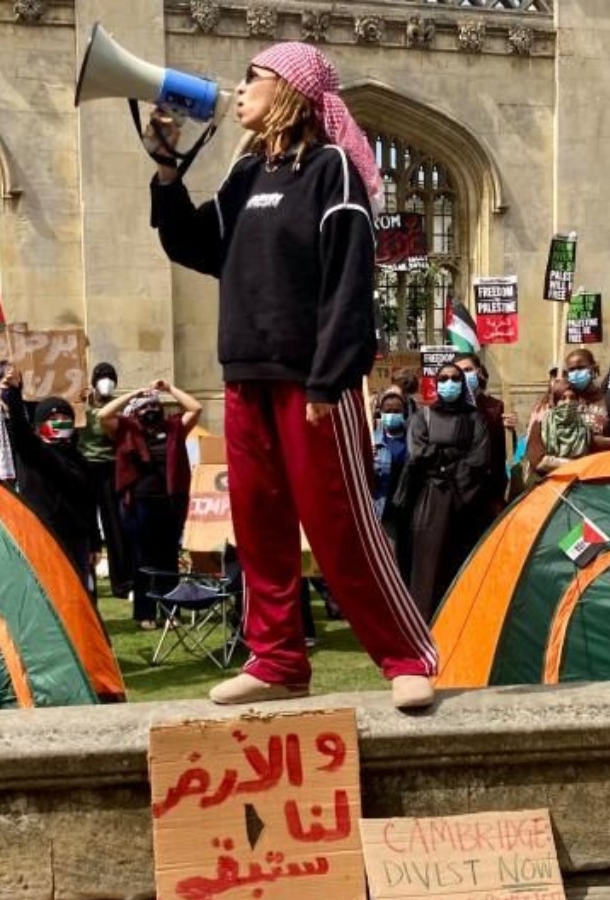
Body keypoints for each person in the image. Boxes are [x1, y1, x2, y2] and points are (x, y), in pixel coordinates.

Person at [148, 40, 438, 709]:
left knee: (340, 526)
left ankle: (405, 656)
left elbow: (348, 279)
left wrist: (330, 379)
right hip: (245, 376)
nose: (240, 87)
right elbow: (194, 244)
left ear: (292, 92)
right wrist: (167, 169)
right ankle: (277, 660)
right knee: (260, 525)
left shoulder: (332, 170)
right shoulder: (247, 175)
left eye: (254, 77)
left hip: (313, 383)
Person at [98, 380, 201, 630]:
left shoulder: (174, 428)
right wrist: (135, 392)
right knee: (142, 560)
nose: (151, 410)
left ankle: (171, 612)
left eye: (155, 405)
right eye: (145, 407)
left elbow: (195, 408)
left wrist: (169, 390)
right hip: (138, 504)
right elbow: (103, 414)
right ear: (135, 412)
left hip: (169, 502)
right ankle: (145, 613)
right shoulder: (126, 430)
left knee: (168, 559)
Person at [395, 361, 490, 621]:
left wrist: (445, 463)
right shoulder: (421, 417)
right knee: (426, 563)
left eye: (455, 378)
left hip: (464, 503)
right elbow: (418, 453)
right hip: (428, 500)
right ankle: (423, 620)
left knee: (460, 561)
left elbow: (480, 459)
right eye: (444, 378)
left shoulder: (474, 418)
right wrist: (451, 457)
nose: (449, 383)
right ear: (436, 384)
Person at [30, 396, 102, 601]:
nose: (60, 422)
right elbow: (19, 434)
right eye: (53, 417)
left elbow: (90, 504)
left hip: (78, 538)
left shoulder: (80, 460)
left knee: (82, 594)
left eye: (64, 417)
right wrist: (13, 394)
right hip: (46, 536)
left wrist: (95, 543)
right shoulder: (33, 456)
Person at [526, 348, 610, 474]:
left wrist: (602, 442)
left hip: (600, 471)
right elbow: (537, 439)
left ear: (593, 368)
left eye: (581, 368)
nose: (576, 373)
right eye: (571, 370)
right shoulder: (562, 397)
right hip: (564, 474)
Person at [81, 362, 133, 599]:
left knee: (115, 527)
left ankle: (122, 582)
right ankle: (86, 581)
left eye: (110, 377)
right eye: (102, 377)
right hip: (86, 469)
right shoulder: (80, 406)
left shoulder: (118, 409)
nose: (106, 381)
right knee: (87, 527)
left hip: (111, 468)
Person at [455, 353, 513, 517]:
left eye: (468, 370)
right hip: (458, 490)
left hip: (490, 489)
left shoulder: (496, 407)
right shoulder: (448, 409)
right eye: (460, 371)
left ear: (478, 371)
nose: (465, 375)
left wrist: (509, 430)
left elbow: (506, 450)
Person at [372, 389, 412, 583]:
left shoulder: (413, 439)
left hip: (409, 510)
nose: (392, 414)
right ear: (381, 412)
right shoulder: (373, 441)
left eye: (397, 410)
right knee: (390, 562)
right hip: (385, 510)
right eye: (388, 410)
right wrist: (366, 457)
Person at [531, 376, 592, 475]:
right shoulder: (541, 425)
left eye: (572, 398)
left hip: (576, 484)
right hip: (547, 484)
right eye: (562, 398)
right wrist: (576, 464)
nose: (568, 402)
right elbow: (538, 461)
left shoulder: (584, 428)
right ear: (555, 402)